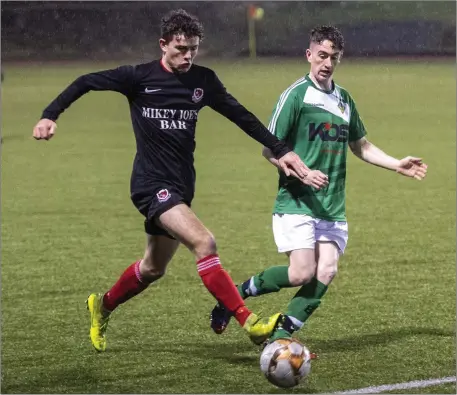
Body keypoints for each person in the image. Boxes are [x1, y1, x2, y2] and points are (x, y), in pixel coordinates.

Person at [32, 9, 329, 352]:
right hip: (150, 184)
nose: (187, 56)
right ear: (163, 45)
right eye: (180, 48)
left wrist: (280, 149)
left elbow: (240, 115)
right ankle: (249, 321)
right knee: (205, 243)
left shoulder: (202, 81)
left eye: (193, 49)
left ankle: (102, 305)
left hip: (181, 188)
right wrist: (49, 115)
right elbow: (85, 81)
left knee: (153, 268)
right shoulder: (138, 77)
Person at [210, 25, 428, 345]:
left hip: (332, 204)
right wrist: (303, 173)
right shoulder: (295, 95)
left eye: (334, 57)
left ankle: (282, 337)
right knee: (301, 273)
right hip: (297, 200)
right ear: (309, 55)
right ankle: (232, 298)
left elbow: (361, 146)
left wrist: (397, 164)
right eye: (322, 55)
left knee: (325, 271)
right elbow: (269, 149)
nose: (327, 63)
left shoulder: (343, 99)